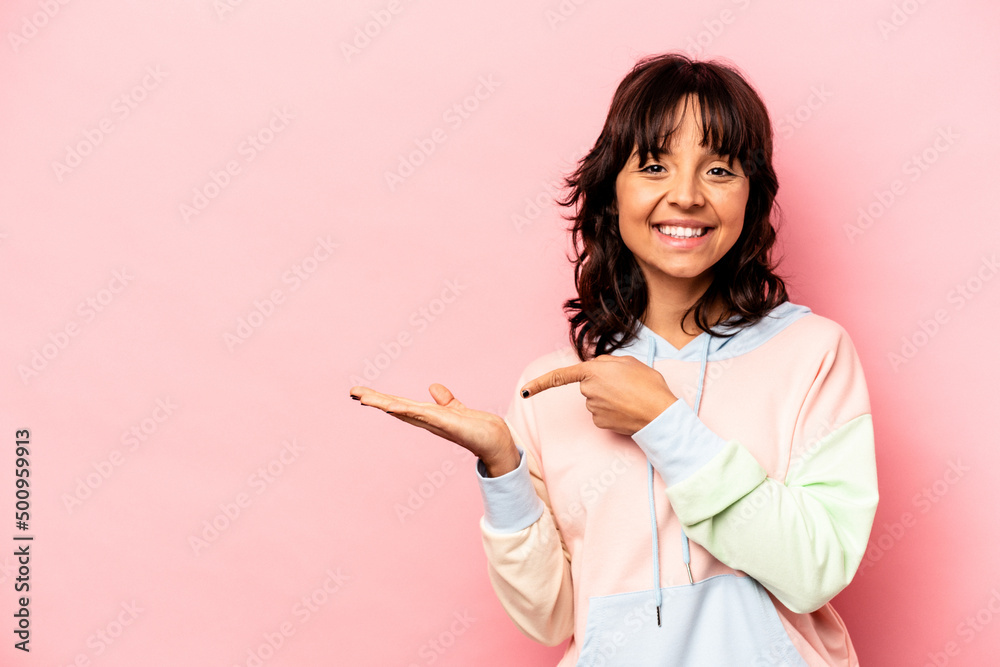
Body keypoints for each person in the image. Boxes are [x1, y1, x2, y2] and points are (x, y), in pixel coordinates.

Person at [350, 52, 878, 666]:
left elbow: (815, 569)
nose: (685, 196)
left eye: (720, 169)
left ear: (751, 197)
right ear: (611, 189)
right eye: (654, 165)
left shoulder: (813, 353)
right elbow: (550, 619)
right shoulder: (553, 388)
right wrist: (502, 467)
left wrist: (664, 422)